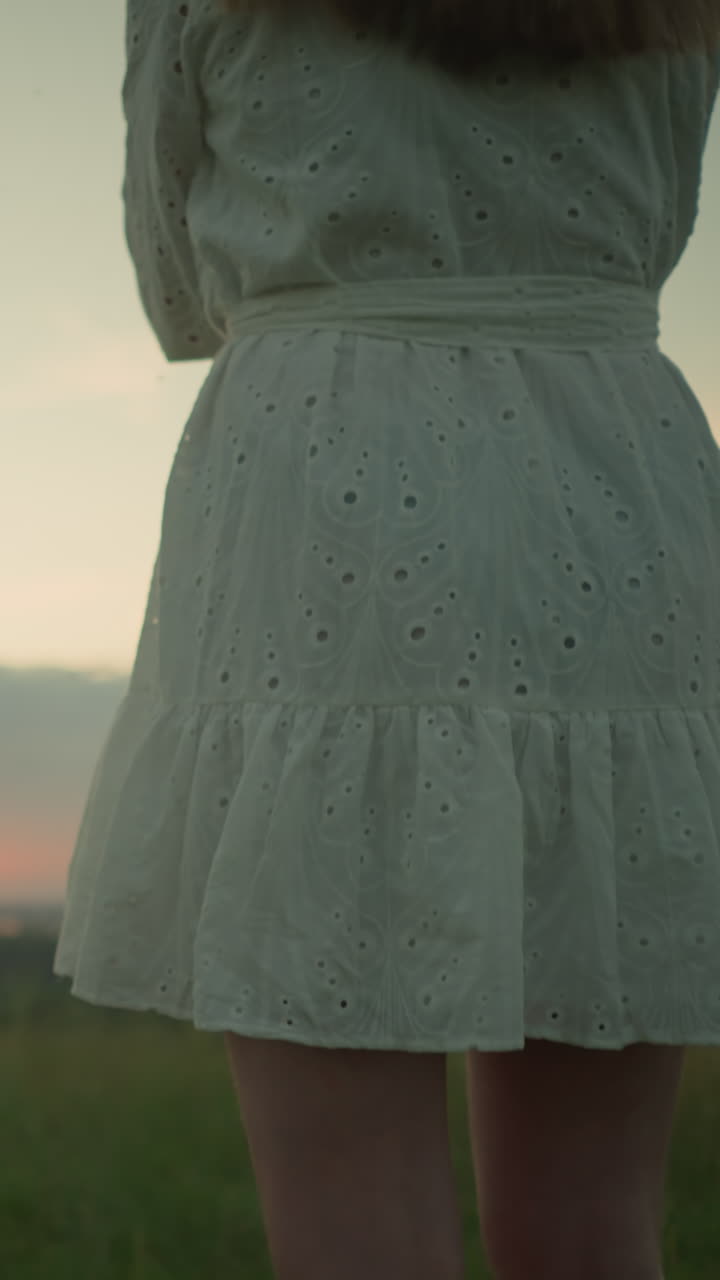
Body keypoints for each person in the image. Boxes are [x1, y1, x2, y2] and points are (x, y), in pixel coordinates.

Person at [54, 2, 720, 1277]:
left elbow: (175, 278)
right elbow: (661, 226)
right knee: (595, 1229)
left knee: (350, 1219)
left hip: (331, 482)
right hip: (618, 484)